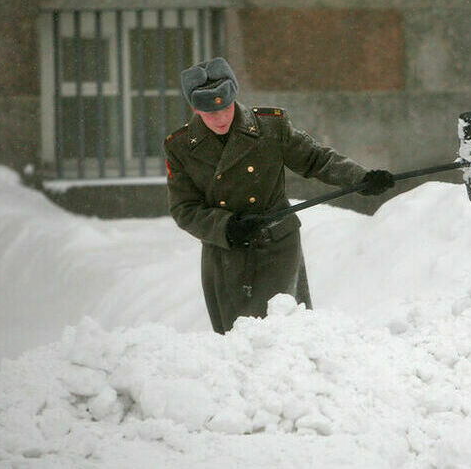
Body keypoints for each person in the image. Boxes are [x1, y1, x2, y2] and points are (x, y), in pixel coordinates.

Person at [164, 57, 394, 334]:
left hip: (276, 245)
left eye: (225, 107)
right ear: (194, 108)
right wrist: (227, 226)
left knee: (281, 331)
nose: (220, 118)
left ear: (234, 97)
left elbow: (316, 160)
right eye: (210, 113)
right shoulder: (181, 147)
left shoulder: (269, 126)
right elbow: (184, 208)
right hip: (226, 252)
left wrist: (361, 178)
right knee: (237, 340)